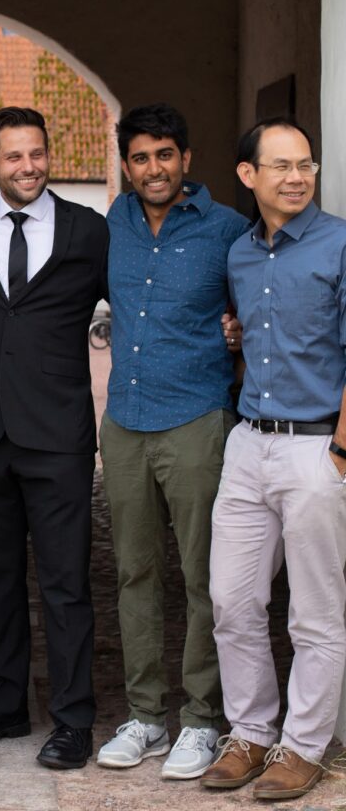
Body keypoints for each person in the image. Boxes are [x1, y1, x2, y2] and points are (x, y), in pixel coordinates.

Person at [0, 106, 108, 771]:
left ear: (49, 153)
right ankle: (6, 705)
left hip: (58, 433)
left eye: (36, 153)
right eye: (13, 156)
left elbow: (139, 303)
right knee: (0, 580)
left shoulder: (88, 231)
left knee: (67, 585)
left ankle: (72, 720)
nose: (28, 166)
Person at [95, 104, 249, 779]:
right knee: (134, 573)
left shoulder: (229, 231)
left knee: (204, 577)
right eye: (140, 158)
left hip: (195, 419)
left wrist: (240, 332)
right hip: (125, 420)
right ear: (126, 166)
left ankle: (202, 720)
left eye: (165, 155)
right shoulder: (114, 224)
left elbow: (263, 305)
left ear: (186, 158)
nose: (153, 168)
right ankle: (145, 715)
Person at [200, 117, 346, 802]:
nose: (297, 177)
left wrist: (342, 449)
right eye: (281, 166)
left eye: (306, 165)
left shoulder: (340, 244)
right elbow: (255, 331)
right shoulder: (241, 254)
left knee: (314, 614)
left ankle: (306, 747)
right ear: (248, 175)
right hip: (249, 440)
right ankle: (252, 732)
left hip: (319, 446)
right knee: (231, 600)